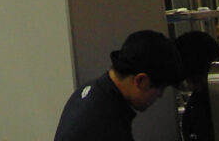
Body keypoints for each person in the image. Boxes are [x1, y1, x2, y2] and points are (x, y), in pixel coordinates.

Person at [54, 29, 183, 141]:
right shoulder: (106, 123)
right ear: (140, 80)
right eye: (160, 89)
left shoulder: (90, 93)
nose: (159, 96)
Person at [174, 30, 219, 141]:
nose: (197, 88)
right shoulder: (196, 108)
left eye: (197, 80)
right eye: (191, 81)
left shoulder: (201, 105)